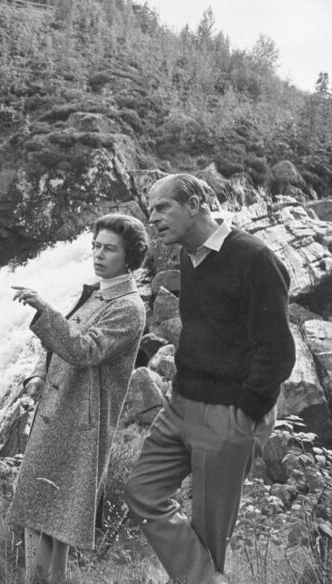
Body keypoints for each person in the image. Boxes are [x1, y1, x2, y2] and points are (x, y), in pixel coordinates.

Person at [124, 174, 296, 584]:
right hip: (180, 403)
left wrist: (245, 414)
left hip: (228, 414)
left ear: (196, 202)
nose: (154, 218)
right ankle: (207, 580)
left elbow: (277, 351)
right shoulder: (190, 254)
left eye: (163, 207)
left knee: (211, 532)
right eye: (150, 210)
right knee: (142, 491)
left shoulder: (255, 258)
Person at [6, 213, 149, 584]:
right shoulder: (98, 292)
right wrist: (38, 373)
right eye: (96, 246)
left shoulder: (129, 307)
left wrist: (44, 308)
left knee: (56, 518)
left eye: (109, 249)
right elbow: (60, 336)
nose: (99, 255)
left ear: (129, 256)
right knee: (41, 514)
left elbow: (84, 348)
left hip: (80, 425)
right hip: (58, 411)